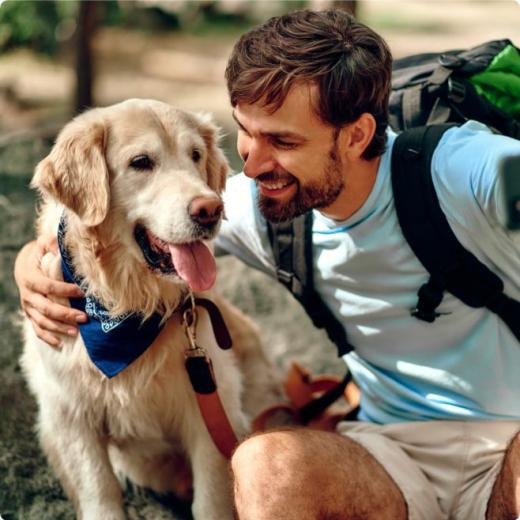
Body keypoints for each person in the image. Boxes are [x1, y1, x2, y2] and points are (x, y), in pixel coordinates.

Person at [14, 9, 520, 520]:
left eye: (283, 141)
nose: (251, 165)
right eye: (246, 133)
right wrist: (28, 265)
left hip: (510, 442)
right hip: (386, 453)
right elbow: (100, 225)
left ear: (356, 135)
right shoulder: (268, 206)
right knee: (262, 465)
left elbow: (503, 172)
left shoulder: (457, 170)